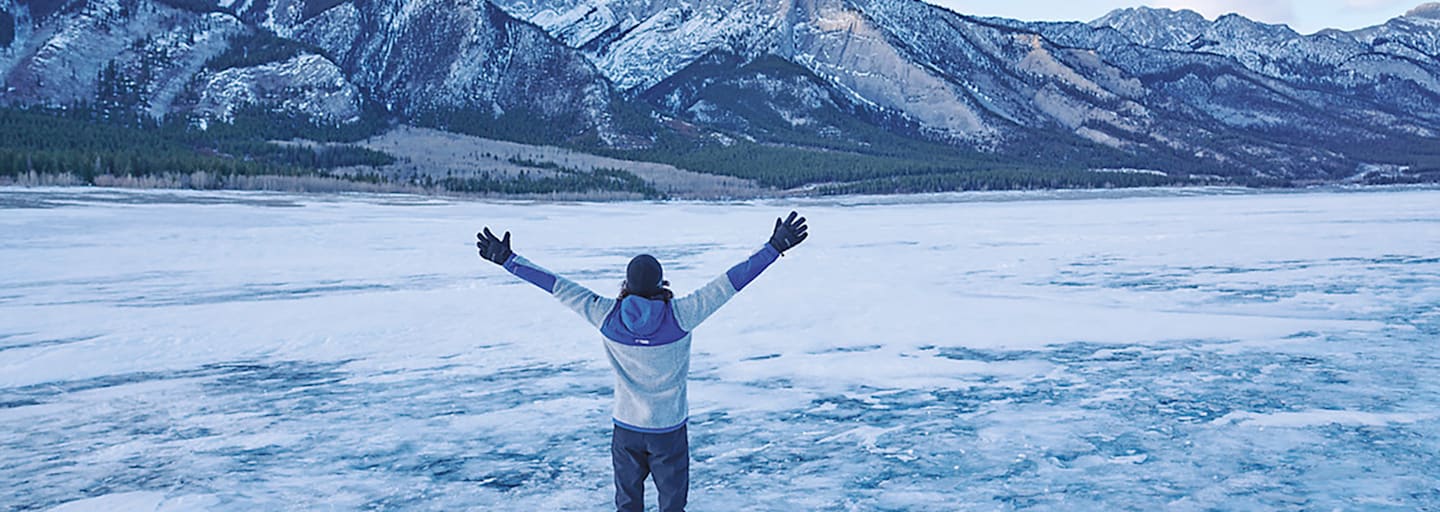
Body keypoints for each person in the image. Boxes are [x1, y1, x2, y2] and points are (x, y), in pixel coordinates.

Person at [475, 211, 809, 512]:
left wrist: (508, 259)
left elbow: (557, 286)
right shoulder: (682, 314)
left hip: (627, 429)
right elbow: (730, 283)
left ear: (627, 285)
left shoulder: (605, 314)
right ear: (662, 284)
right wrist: (774, 248)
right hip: (668, 431)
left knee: (628, 505)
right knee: (672, 504)